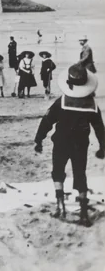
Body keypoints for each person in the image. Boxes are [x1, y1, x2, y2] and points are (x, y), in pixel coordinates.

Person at [34, 63, 104, 226]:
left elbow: (47, 121)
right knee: (80, 174)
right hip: (80, 144)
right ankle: (84, 214)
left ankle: (61, 207)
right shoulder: (92, 106)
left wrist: (39, 140)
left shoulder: (62, 102)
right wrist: (102, 147)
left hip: (61, 142)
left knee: (57, 171)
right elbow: (100, 129)